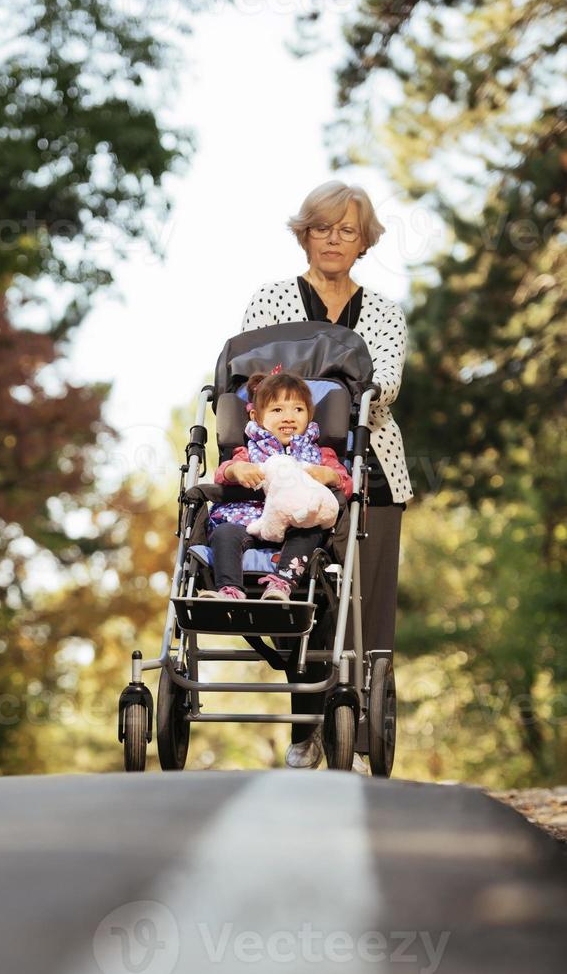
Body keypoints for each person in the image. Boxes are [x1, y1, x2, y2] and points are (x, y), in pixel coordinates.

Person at [241, 180, 414, 771]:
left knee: (366, 605)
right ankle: (306, 728)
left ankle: (363, 737)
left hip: (371, 473)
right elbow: (254, 382)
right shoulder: (271, 301)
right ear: (304, 234)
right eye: (322, 228)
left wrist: (307, 386)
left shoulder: (385, 313)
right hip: (287, 471)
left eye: (347, 230)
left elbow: (382, 388)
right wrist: (331, 385)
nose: (334, 240)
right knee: (303, 591)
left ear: (364, 241)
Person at [199, 368, 352, 603]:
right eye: (277, 410)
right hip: (249, 520)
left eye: (298, 409)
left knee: (311, 531)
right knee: (224, 532)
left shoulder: (321, 454)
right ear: (256, 417)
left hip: (295, 522)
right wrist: (235, 470)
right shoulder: (247, 451)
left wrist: (329, 476)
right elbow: (221, 475)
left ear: (309, 416)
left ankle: (281, 584)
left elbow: (347, 484)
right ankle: (229, 590)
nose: (289, 417)